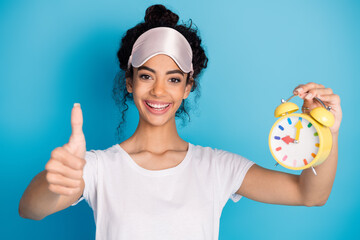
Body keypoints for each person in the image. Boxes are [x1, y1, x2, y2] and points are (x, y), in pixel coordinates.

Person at [18, 4, 342, 240]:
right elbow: (30, 210)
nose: (159, 90)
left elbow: (310, 195)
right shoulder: (96, 168)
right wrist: (55, 180)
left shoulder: (217, 167)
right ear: (129, 81)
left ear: (188, 87)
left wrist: (325, 131)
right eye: (146, 76)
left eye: (173, 80)